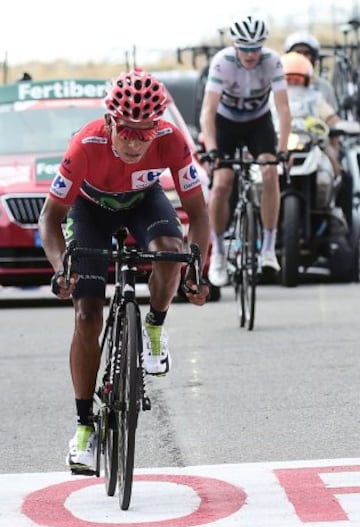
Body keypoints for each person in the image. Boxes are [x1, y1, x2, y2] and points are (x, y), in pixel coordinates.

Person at [38, 69, 210, 474]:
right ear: (111, 121)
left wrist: (198, 269)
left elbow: (199, 214)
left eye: (144, 132)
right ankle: (84, 428)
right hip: (89, 209)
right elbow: (49, 218)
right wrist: (63, 268)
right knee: (86, 314)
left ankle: (153, 326)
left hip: (143, 201)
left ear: (157, 127)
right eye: (127, 131)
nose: (134, 142)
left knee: (171, 254)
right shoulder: (85, 145)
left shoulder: (171, 140)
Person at [200, 14, 291, 287]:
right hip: (225, 123)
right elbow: (207, 111)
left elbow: (284, 110)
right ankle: (217, 253)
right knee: (222, 183)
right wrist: (213, 150)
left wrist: (283, 150)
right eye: (245, 48)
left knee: (271, 173)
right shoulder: (222, 63)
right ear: (235, 45)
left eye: (256, 48)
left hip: (258, 123)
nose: (251, 54)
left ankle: (268, 250)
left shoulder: (272, 61)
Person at [279, 52, 358, 227]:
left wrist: (340, 127)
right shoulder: (271, 98)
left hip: (313, 146)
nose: (292, 84)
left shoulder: (316, 99)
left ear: (308, 80)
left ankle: (345, 225)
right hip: (279, 147)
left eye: (297, 79)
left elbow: (332, 119)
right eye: (288, 79)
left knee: (341, 174)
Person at [283, 31, 338, 111]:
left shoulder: (324, 87)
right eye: (297, 52)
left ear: (313, 57)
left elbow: (332, 119)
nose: (301, 57)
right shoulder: (277, 85)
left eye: (306, 53)